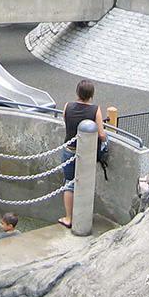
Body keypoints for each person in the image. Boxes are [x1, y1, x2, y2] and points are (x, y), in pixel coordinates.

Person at [58, 79, 106, 229]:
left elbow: (66, 123)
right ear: (91, 94)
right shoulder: (95, 110)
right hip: (86, 154)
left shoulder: (67, 106)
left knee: (69, 183)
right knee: (84, 183)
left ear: (77, 92)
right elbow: (101, 134)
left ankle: (68, 218)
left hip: (69, 149)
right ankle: (83, 217)